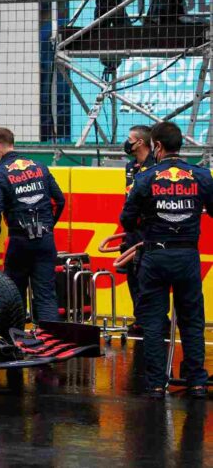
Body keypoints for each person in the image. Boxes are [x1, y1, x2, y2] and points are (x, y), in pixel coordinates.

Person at [120, 121, 213, 399]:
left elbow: (127, 218)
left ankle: (156, 385)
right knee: (192, 321)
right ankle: (196, 382)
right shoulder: (201, 175)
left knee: (152, 322)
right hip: (186, 255)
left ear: (157, 146)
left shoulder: (145, 177)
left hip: (155, 255)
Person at [0, 127, 65, 322]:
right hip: (45, 239)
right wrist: (48, 226)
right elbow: (60, 200)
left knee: (14, 295)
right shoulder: (39, 166)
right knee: (46, 295)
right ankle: (51, 345)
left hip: (19, 241)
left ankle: (16, 343)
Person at [122, 125, 156, 335]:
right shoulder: (130, 166)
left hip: (150, 231)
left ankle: (155, 319)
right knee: (132, 276)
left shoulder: (156, 166)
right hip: (131, 231)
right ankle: (140, 319)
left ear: (141, 142)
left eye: (129, 139)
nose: (126, 143)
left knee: (148, 278)